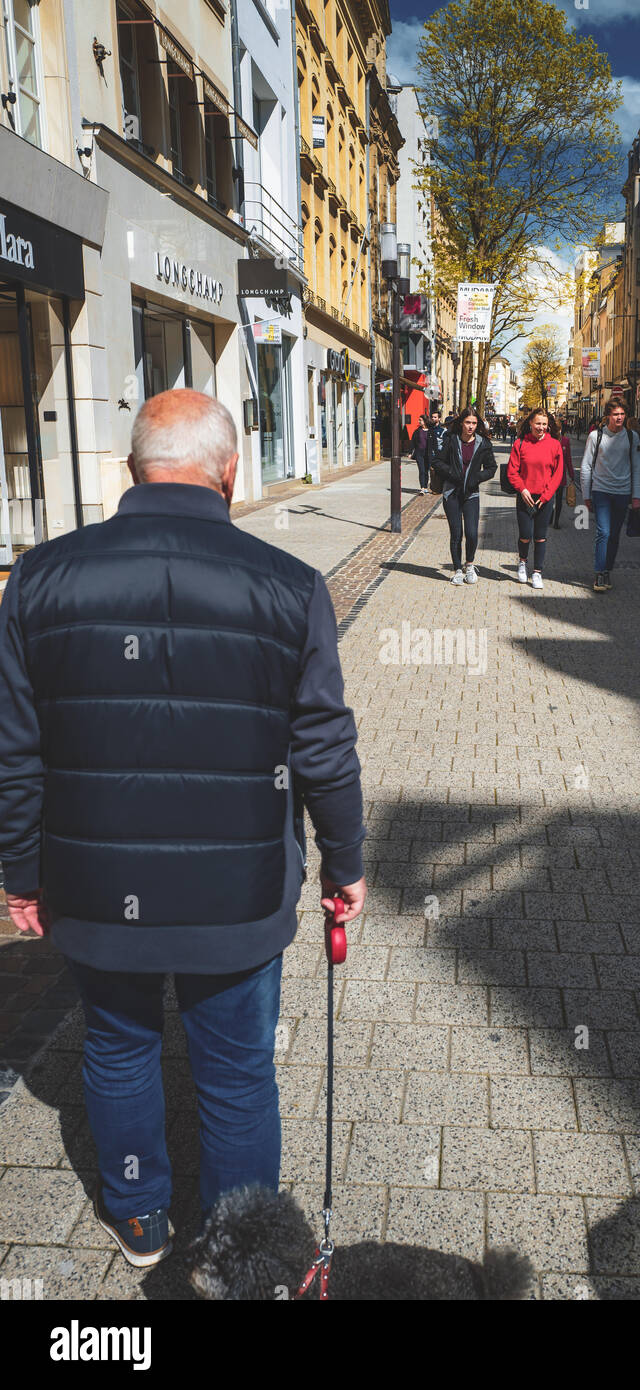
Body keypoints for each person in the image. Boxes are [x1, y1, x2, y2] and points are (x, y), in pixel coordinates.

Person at [0, 388, 366, 1268]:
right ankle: (240, 1249)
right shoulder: (290, 586)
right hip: (234, 894)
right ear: (231, 473)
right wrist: (344, 862)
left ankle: (138, 1217)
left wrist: (18, 872)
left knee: (119, 1048)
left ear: (131, 471)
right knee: (238, 1074)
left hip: (91, 886)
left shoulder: (37, 580)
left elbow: (15, 750)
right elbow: (324, 746)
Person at [580, 398, 640, 593]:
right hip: (601, 491)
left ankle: (608, 569)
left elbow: (637, 467)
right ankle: (599, 572)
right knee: (603, 533)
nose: (619, 418)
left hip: (623, 492)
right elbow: (586, 466)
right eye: (616, 414)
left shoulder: (632, 437)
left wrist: (636, 495)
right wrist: (586, 494)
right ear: (608, 415)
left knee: (614, 535)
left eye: (622, 414)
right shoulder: (595, 436)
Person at [430, 405, 496, 584]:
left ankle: (469, 565)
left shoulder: (483, 443)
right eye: (467, 422)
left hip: (471, 494)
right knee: (456, 533)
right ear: (461, 423)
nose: (470, 426)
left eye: (474, 423)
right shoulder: (452, 440)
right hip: (451, 493)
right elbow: (436, 461)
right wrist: (452, 473)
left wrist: (477, 477)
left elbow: (492, 468)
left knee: (472, 533)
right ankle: (457, 569)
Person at [507, 409, 564, 590]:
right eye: (538, 423)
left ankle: (537, 572)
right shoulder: (520, 443)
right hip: (525, 496)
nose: (541, 427)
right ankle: (522, 563)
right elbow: (512, 471)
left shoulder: (554, 445)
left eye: (544, 424)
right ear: (530, 423)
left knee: (540, 537)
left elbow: (558, 474)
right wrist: (522, 490)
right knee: (525, 535)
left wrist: (547, 496)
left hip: (544, 498)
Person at [552, 416, 576, 528]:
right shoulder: (550, 440)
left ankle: (554, 520)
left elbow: (568, 459)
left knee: (555, 498)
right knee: (556, 498)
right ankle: (554, 520)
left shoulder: (564, 441)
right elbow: (568, 459)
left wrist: (571, 473)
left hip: (557, 474)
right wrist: (571, 474)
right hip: (554, 474)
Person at [424, 407, 447, 485]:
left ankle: (437, 485)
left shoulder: (442, 430)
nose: (433, 419)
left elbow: (444, 443)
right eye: (432, 417)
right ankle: (432, 485)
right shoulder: (429, 429)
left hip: (439, 454)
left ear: (439, 418)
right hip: (430, 453)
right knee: (430, 471)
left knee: (438, 472)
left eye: (435, 417)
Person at [411, 413, 431, 493]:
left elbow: (434, 443)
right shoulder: (417, 431)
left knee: (426, 471)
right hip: (419, 453)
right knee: (422, 470)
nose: (419, 421)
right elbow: (412, 442)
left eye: (420, 420)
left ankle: (425, 486)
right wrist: (410, 452)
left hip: (428, 453)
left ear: (425, 421)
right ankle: (422, 487)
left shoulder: (430, 431)